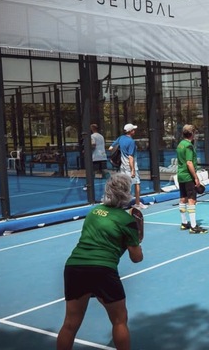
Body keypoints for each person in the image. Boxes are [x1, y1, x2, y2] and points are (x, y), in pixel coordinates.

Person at [57, 173, 143, 350]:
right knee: (119, 320)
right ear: (126, 193)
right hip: (102, 270)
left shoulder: (93, 212)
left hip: (74, 267)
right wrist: (136, 240)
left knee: (70, 324)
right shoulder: (127, 220)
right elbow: (136, 258)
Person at [176, 124, 208, 234]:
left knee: (183, 198)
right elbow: (189, 163)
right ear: (192, 134)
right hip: (188, 176)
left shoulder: (180, 144)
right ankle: (193, 226)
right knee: (191, 200)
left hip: (180, 175)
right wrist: (196, 177)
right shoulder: (189, 146)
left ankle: (184, 223)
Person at [109, 123, 148, 209]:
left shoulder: (120, 138)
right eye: (133, 130)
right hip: (130, 166)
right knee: (137, 183)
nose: (134, 131)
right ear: (131, 131)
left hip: (122, 166)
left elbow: (111, 148)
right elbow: (131, 157)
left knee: (124, 184)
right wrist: (133, 170)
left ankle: (121, 203)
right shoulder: (131, 142)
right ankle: (137, 203)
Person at [83, 124, 107, 190]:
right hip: (103, 156)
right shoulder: (101, 136)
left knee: (92, 171)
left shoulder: (92, 136)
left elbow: (93, 145)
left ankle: (89, 184)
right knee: (104, 171)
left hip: (96, 156)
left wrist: (86, 150)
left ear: (92, 129)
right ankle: (111, 184)